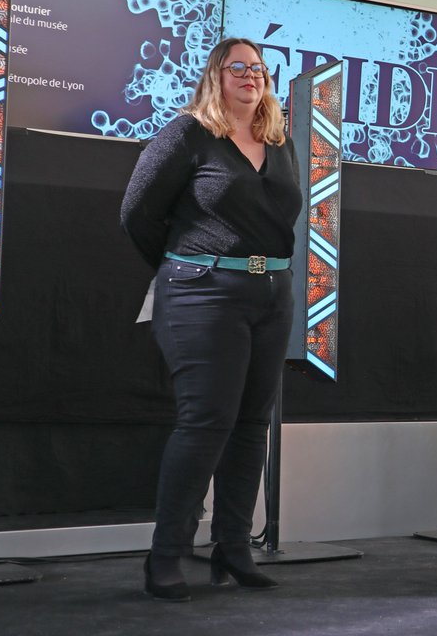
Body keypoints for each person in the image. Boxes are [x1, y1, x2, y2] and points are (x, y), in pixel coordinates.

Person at [121, 37, 302, 601]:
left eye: (258, 69)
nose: (251, 76)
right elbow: (138, 212)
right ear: (216, 76)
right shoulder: (187, 134)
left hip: (272, 291)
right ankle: (167, 556)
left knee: (251, 425)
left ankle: (232, 549)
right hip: (202, 293)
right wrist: (188, 267)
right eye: (238, 68)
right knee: (206, 423)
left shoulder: (279, 139)